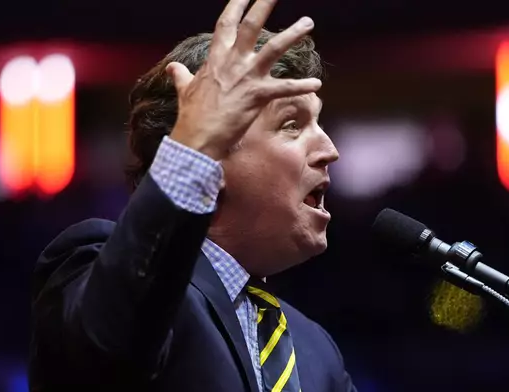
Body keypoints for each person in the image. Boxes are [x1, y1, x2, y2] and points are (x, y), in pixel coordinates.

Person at [29, 0, 356, 390]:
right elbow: (109, 347)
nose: (329, 149)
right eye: (291, 125)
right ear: (212, 156)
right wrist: (193, 146)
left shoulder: (316, 350)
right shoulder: (94, 264)